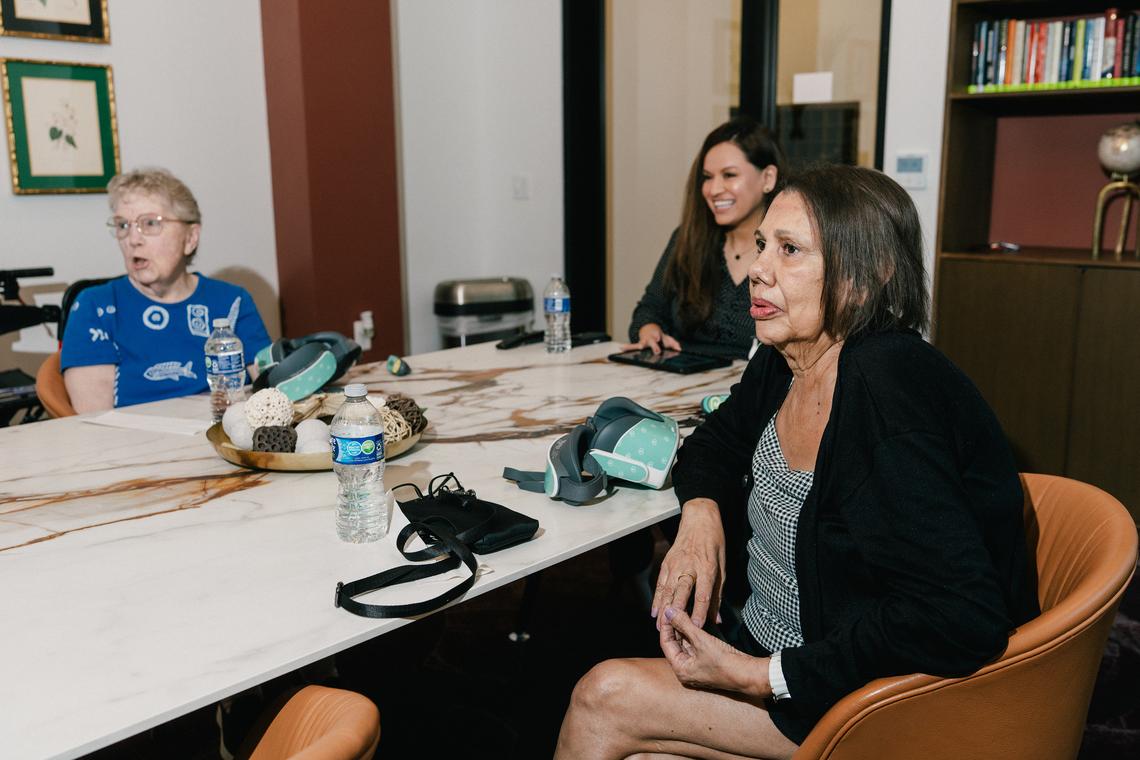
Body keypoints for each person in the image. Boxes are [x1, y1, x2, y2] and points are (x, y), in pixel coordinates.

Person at [556, 165, 1040, 758]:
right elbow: (714, 443)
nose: (759, 268)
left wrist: (759, 677)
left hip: (861, 696)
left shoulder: (887, 387)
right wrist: (700, 518)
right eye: (763, 245)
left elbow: (961, 615)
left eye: (790, 250)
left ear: (869, 278)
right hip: (772, 650)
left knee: (600, 696)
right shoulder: (789, 356)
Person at [61, 168, 271, 412]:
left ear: (190, 237)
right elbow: (95, 419)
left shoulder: (232, 301)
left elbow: (271, 392)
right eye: (123, 225)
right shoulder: (95, 306)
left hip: (226, 439)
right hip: (135, 445)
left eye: (149, 223)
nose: (133, 239)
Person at [625, 116, 785, 360]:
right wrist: (649, 330)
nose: (714, 189)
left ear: (768, 178)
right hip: (681, 385)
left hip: (757, 391)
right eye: (708, 177)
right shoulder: (687, 240)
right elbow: (650, 309)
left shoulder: (789, 252)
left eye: (729, 175)